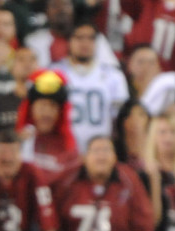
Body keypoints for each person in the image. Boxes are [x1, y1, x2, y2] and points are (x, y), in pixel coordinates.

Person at [51, 135, 154, 231]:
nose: (101, 156)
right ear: (84, 157)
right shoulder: (68, 180)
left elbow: (143, 223)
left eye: (106, 150)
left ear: (115, 157)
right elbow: (52, 219)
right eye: (96, 151)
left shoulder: (129, 180)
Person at [52, 22, 129, 153]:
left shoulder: (113, 76)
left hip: (100, 151)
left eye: (90, 38)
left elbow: (119, 119)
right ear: (69, 41)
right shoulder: (54, 73)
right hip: (63, 149)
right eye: (79, 37)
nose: (85, 43)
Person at [16, 68, 80, 183]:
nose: (47, 113)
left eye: (53, 106)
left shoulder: (69, 148)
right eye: (42, 106)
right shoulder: (16, 141)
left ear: (61, 112)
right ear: (30, 109)